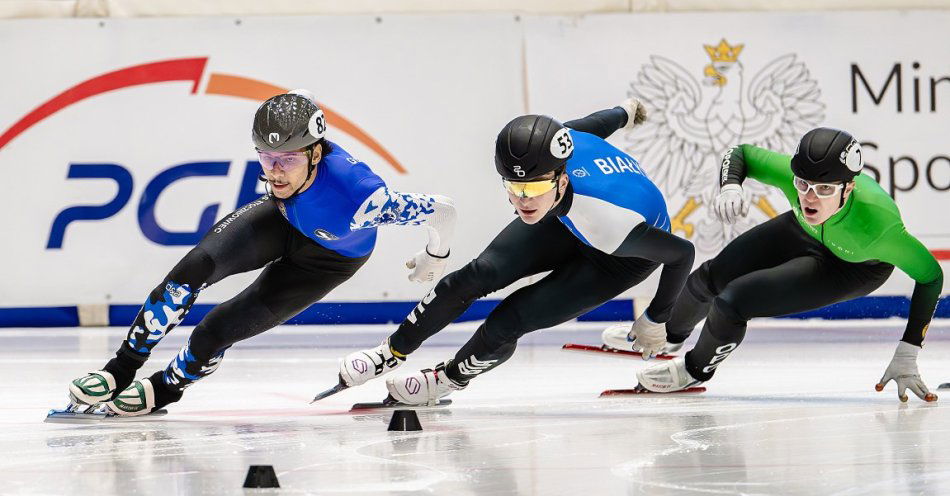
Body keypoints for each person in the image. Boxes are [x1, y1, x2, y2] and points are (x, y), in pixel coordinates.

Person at [62, 90, 457, 416]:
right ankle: (119, 370)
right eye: (266, 159)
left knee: (215, 329)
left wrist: (434, 258)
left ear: (316, 154)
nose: (275, 172)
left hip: (326, 262)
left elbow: (443, 210)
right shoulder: (284, 174)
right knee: (192, 270)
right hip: (282, 219)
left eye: (288, 160)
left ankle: (166, 387)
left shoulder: (364, 197)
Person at [335, 99, 696, 406]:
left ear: (561, 177)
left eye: (534, 186)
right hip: (562, 215)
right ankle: (391, 352)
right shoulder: (561, 144)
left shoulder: (609, 222)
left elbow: (682, 253)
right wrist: (625, 112)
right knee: (478, 275)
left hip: (621, 255)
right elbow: (596, 124)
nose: (523, 199)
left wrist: (656, 317)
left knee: (510, 319)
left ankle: (449, 378)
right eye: (514, 186)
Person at [616, 128, 942, 402]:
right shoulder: (798, 182)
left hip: (852, 266)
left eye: (825, 189)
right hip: (807, 230)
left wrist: (909, 350)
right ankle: (670, 337)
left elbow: (931, 277)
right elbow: (740, 152)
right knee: (708, 277)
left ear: (849, 187)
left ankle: (693, 371)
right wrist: (731, 184)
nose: (810, 197)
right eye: (802, 184)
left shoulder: (879, 228)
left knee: (733, 301)